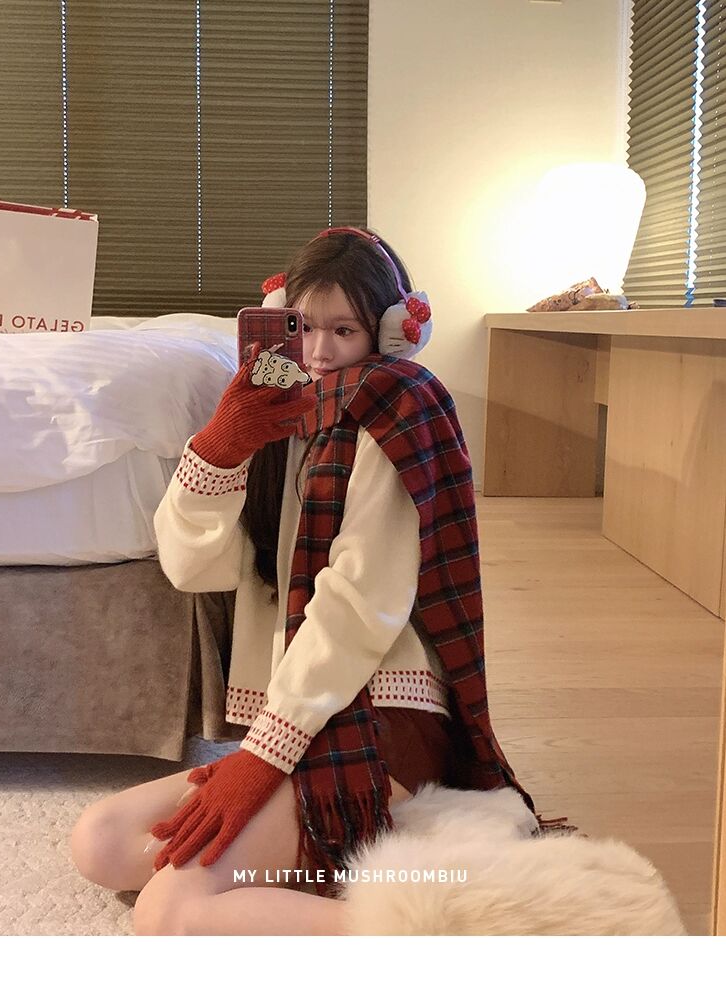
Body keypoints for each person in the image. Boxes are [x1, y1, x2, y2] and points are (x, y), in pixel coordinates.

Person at [70, 226, 531, 936]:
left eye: (344, 331)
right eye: (304, 327)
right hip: (300, 715)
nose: (317, 353)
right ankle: (357, 883)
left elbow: (357, 607)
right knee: (101, 843)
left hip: (379, 713)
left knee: (170, 913)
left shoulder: (395, 404)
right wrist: (221, 448)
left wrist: (262, 757)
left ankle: (442, 936)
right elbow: (193, 568)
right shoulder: (275, 412)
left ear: (392, 332)